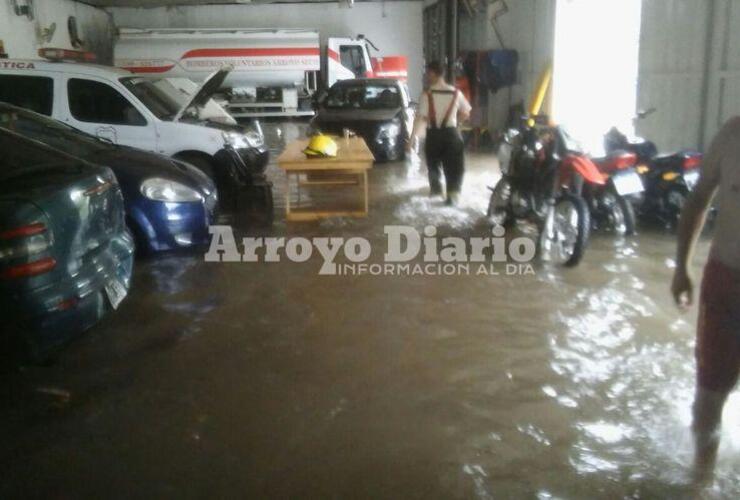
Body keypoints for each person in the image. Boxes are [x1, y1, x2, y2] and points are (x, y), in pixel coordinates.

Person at [671, 117, 740, 484]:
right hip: (727, 281)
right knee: (709, 396)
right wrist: (682, 267)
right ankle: (700, 482)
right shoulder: (732, 135)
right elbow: (698, 199)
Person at [408, 61, 472, 206]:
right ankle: (452, 198)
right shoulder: (456, 93)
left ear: (434, 73)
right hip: (452, 135)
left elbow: (420, 118)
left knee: (433, 168)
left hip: (434, 136)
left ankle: (436, 193)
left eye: (428, 73)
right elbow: (466, 112)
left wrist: (412, 140)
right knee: (455, 169)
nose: (426, 76)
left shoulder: (427, 94)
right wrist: (456, 123)